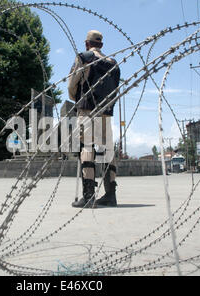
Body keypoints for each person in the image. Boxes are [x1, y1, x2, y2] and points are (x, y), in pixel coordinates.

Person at [68, 30, 121, 208]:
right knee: (107, 149)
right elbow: (116, 90)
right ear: (102, 45)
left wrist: (77, 99)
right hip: (106, 111)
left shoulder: (84, 57)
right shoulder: (113, 63)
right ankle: (110, 195)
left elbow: (72, 84)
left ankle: (89, 195)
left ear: (87, 43)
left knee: (86, 147)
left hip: (87, 109)